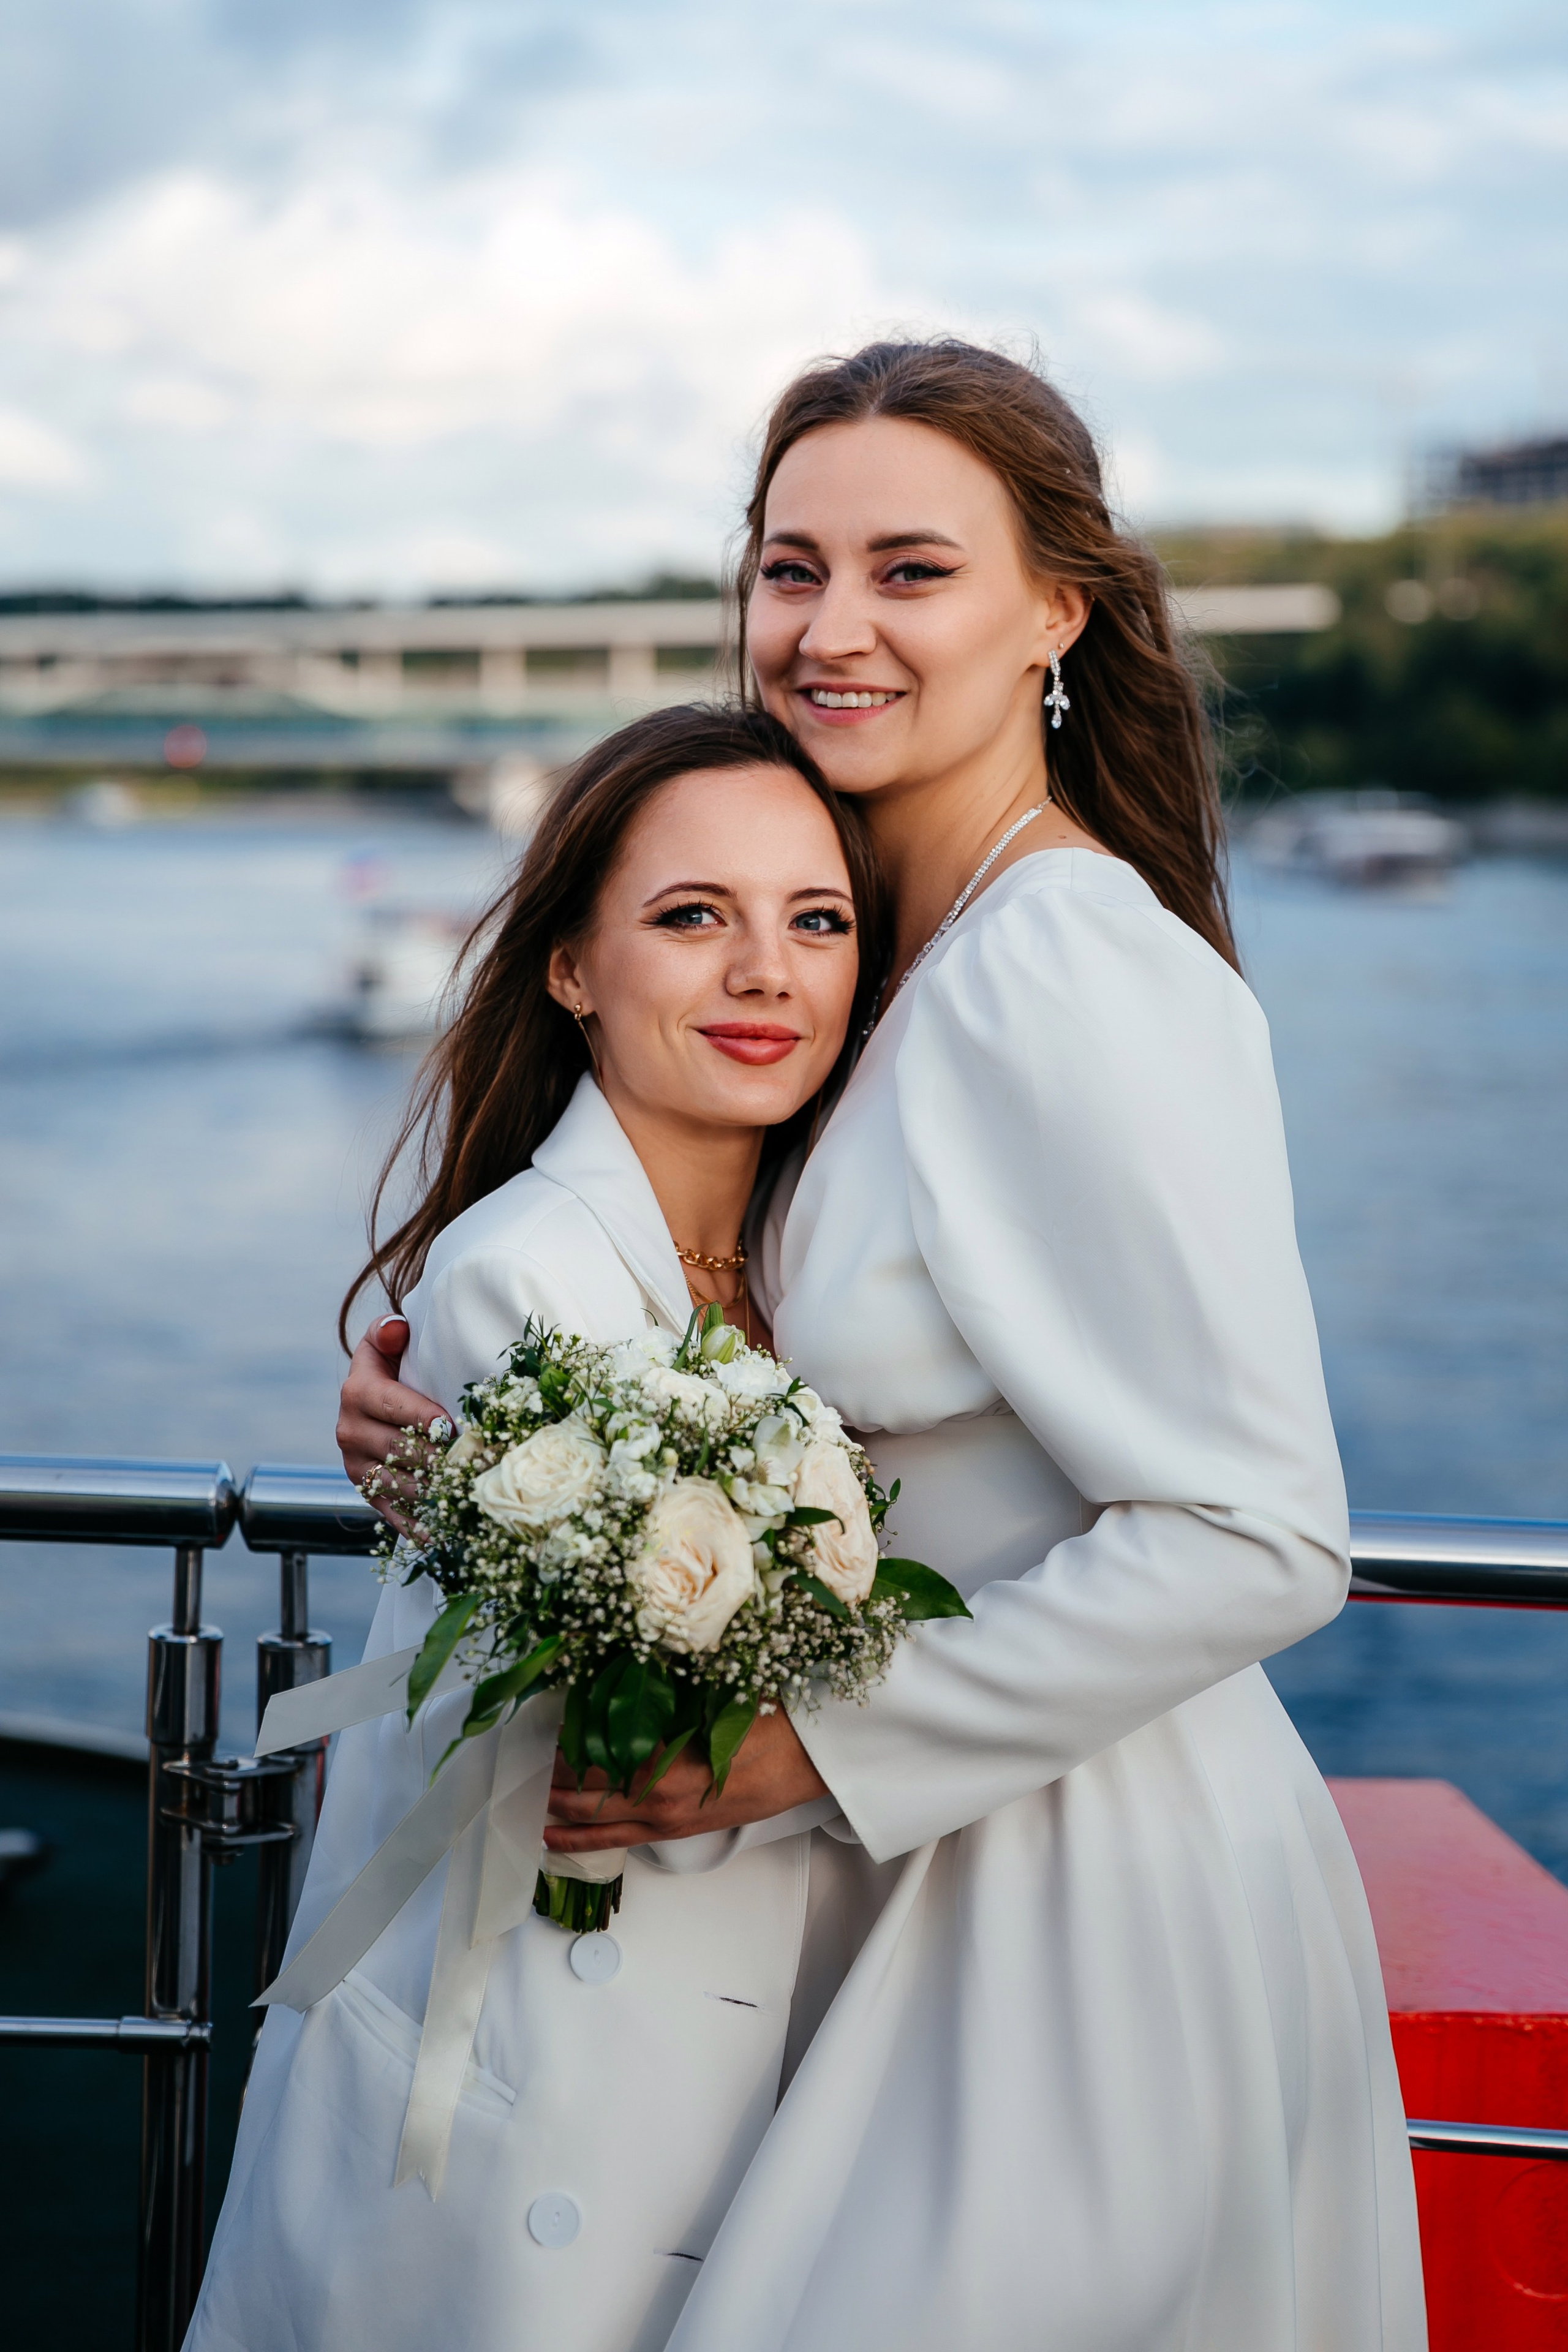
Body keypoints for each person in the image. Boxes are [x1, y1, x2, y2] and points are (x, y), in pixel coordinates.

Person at [338, 341, 1425, 2351]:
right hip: (929, 1868)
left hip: (1080, 1898)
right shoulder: (876, 946)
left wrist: (795, 1745)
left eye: (911, 572)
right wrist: (481, 1432)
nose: (831, 631)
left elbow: (1261, 1531)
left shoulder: (1066, 968)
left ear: (1057, 614)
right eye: (788, 567)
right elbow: (757, 1339)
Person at [184, 704, 887, 2352]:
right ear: (572, 964)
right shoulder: (520, 1275)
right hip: (550, 2052)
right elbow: (657, 1716)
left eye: (818, 920)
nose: (767, 973)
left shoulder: (822, 1255)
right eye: (692, 916)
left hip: (744, 2034)